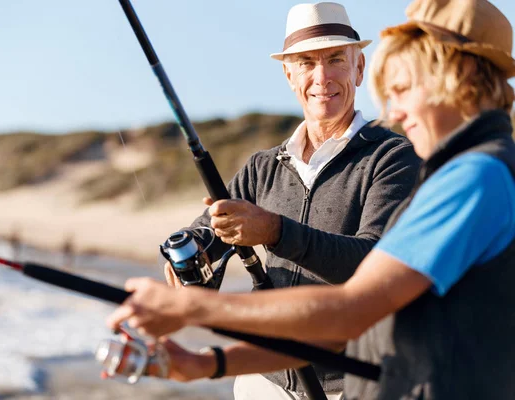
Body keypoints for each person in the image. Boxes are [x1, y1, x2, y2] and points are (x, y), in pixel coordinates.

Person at [107, 0, 515, 398]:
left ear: (457, 77)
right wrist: (208, 361)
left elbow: (351, 307)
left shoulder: (472, 177)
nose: (395, 110)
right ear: (288, 74)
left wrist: (193, 310)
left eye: (404, 88)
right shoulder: (454, 174)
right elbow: (347, 326)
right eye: (305, 63)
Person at [133, 2, 419, 399]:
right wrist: (188, 249)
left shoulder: (392, 156)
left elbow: (372, 266)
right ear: (289, 74)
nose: (322, 77)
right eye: (305, 63)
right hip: (262, 380)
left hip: (353, 384)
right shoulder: (263, 166)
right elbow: (210, 226)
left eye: (335, 59)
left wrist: (274, 230)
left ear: (358, 68)